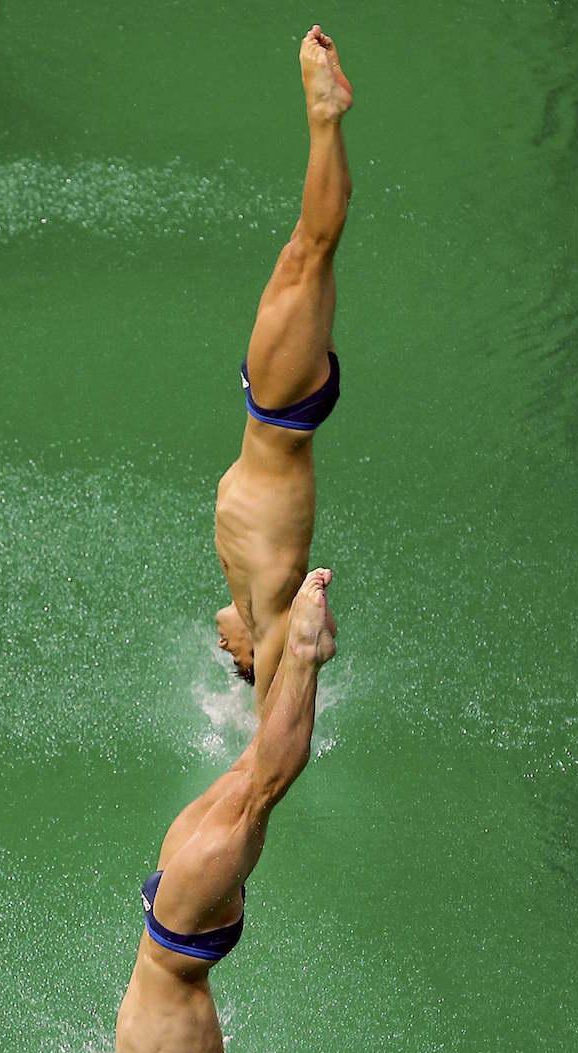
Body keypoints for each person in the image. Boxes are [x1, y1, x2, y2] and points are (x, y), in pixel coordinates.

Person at [113, 568, 339, 1053]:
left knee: (258, 784)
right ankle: (283, 651)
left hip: (179, 934)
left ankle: (298, 651)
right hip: (171, 925)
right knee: (252, 782)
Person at [213, 25, 353, 707]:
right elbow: (277, 703)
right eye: (230, 658)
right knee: (312, 246)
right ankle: (323, 117)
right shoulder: (268, 613)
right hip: (280, 409)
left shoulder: (244, 593)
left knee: (307, 251)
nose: (220, 647)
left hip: (274, 411)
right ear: (251, 659)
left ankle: (326, 121)